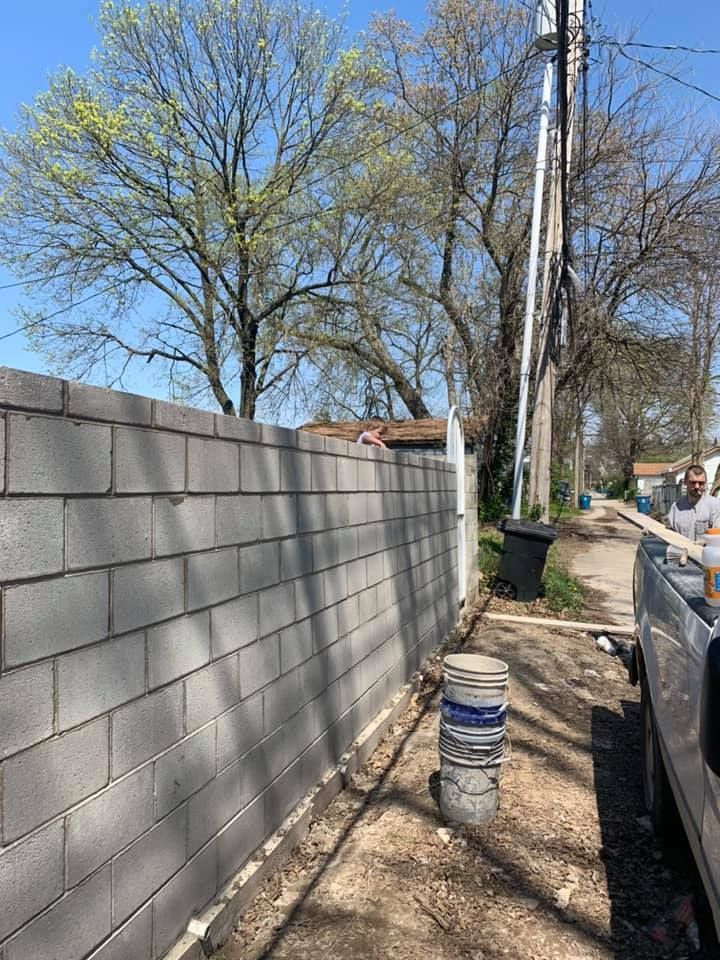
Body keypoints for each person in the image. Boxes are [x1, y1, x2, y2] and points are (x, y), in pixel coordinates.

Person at [667, 464, 720, 540]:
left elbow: (717, 538)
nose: (697, 486)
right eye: (693, 482)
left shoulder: (715, 506)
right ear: (685, 482)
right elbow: (670, 535)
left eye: (701, 483)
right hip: (681, 551)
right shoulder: (676, 507)